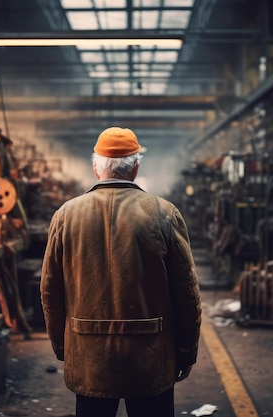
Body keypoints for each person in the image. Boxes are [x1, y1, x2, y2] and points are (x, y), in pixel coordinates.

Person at [40, 126, 202, 417]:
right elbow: (186, 293)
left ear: (96, 168)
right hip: (150, 356)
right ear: (136, 167)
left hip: (89, 355)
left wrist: (63, 347)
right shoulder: (164, 213)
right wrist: (186, 351)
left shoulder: (66, 215)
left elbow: (50, 291)